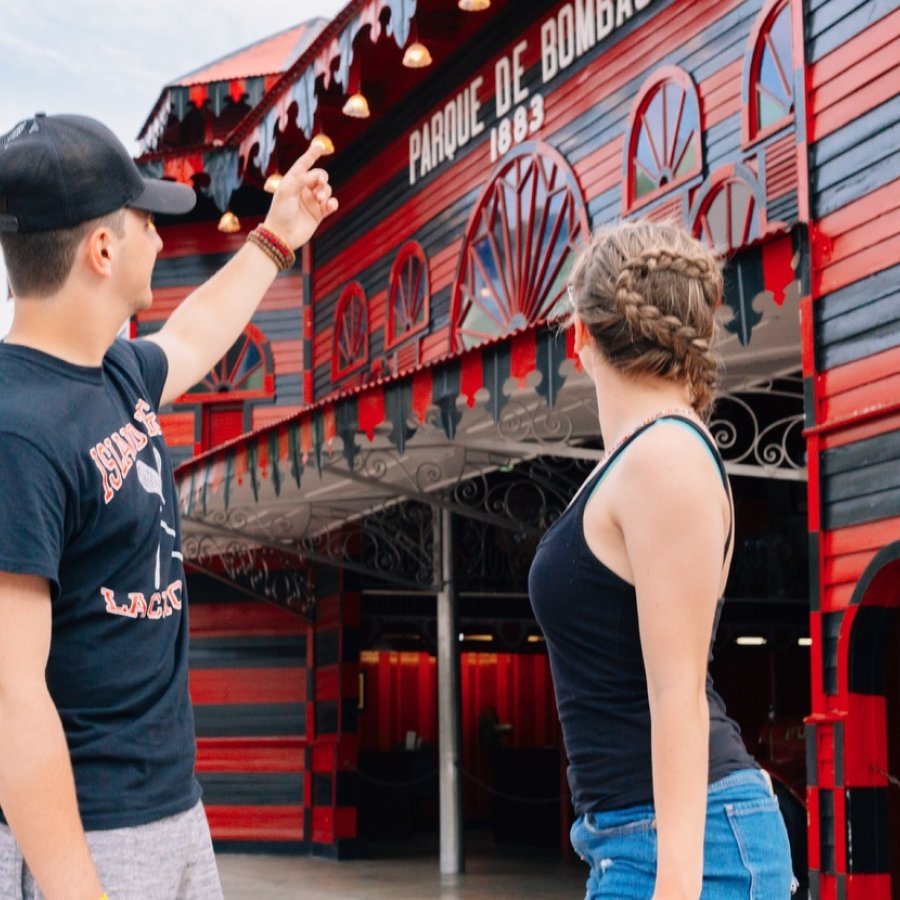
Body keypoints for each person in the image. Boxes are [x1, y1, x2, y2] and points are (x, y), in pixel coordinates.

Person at [0, 113, 337, 899]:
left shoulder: (113, 372)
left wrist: (276, 237)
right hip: (89, 838)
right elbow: (11, 698)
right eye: (148, 220)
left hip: (173, 812)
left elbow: (194, 335)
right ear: (103, 250)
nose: (161, 238)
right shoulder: (15, 431)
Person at [528, 221, 795, 899]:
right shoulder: (641, 459)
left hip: (684, 848)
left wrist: (676, 887)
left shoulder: (666, 457)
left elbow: (676, 695)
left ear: (579, 338)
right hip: (640, 839)